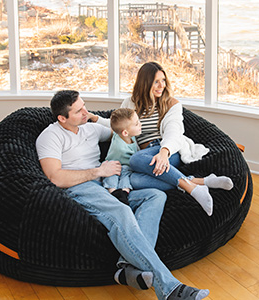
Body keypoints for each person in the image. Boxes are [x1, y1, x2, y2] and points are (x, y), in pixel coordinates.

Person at [36, 90, 209, 300]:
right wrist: (99, 171)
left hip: (105, 185)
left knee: (155, 196)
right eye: (78, 111)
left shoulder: (90, 128)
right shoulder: (50, 136)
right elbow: (55, 177)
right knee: (121, 211)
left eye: (84, 106)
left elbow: (120, 128)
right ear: (62, 118)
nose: (85, 112)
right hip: (80, 188)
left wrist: (164, 143)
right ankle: (170, 288)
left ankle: (126, 267)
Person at [90, 62, 233, 217]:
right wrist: (95, 118)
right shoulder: (131, 102)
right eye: (156, 81)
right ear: (145, 83)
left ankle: (192, 189)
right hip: (146, 157)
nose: (161, 85)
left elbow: (174, 131)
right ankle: (200, 182)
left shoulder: (171, 103)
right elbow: (118, 125)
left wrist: (164, 152)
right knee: (135, 180)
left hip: (168, 151)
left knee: (135, 160)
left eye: (163, 80)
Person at [102, 108, 141, 205]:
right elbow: (135, 161)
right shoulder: (120, 147)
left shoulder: (124, 134)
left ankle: (124, 192)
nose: (140, 124)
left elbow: (112, 125)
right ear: (125, 133)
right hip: (112, 164)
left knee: (126, 175)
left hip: (126, 166)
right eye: (136, 124)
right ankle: (113, 192)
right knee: (111, 177)